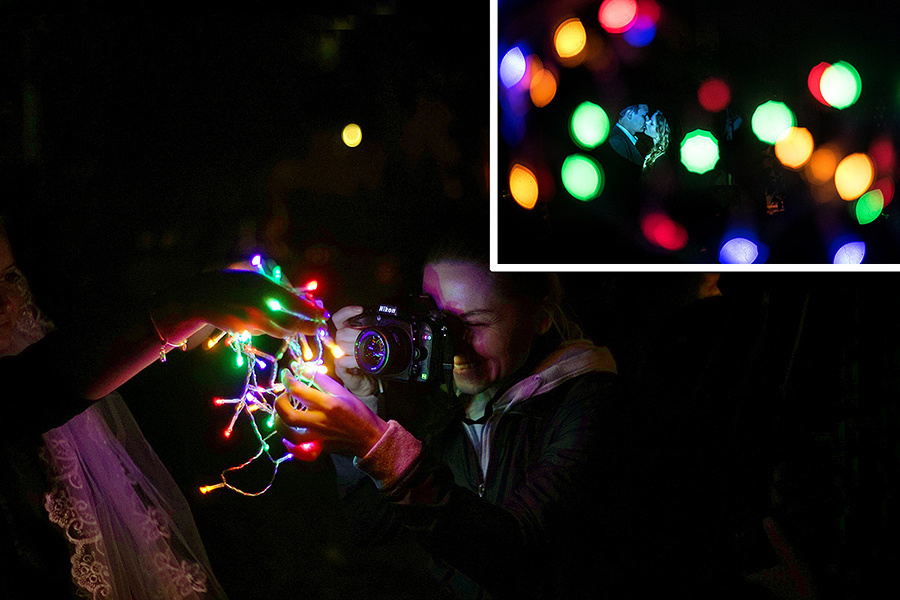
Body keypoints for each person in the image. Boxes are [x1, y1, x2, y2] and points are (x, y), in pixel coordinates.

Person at [275, 232, 634, 599]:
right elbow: (373, 528)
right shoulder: (445, 401)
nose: (453, 344)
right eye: (439, 322)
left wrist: (379, 446)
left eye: (475, 323)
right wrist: (364, 403)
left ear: (540, 318)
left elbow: (519, 558)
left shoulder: (593, 403)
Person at [0, 218, 325, 599]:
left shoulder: (38, 335)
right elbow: (42, 387)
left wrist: (207, 308)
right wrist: (194, 303)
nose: (6, 302)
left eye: (9, 277)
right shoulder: (33, 381)